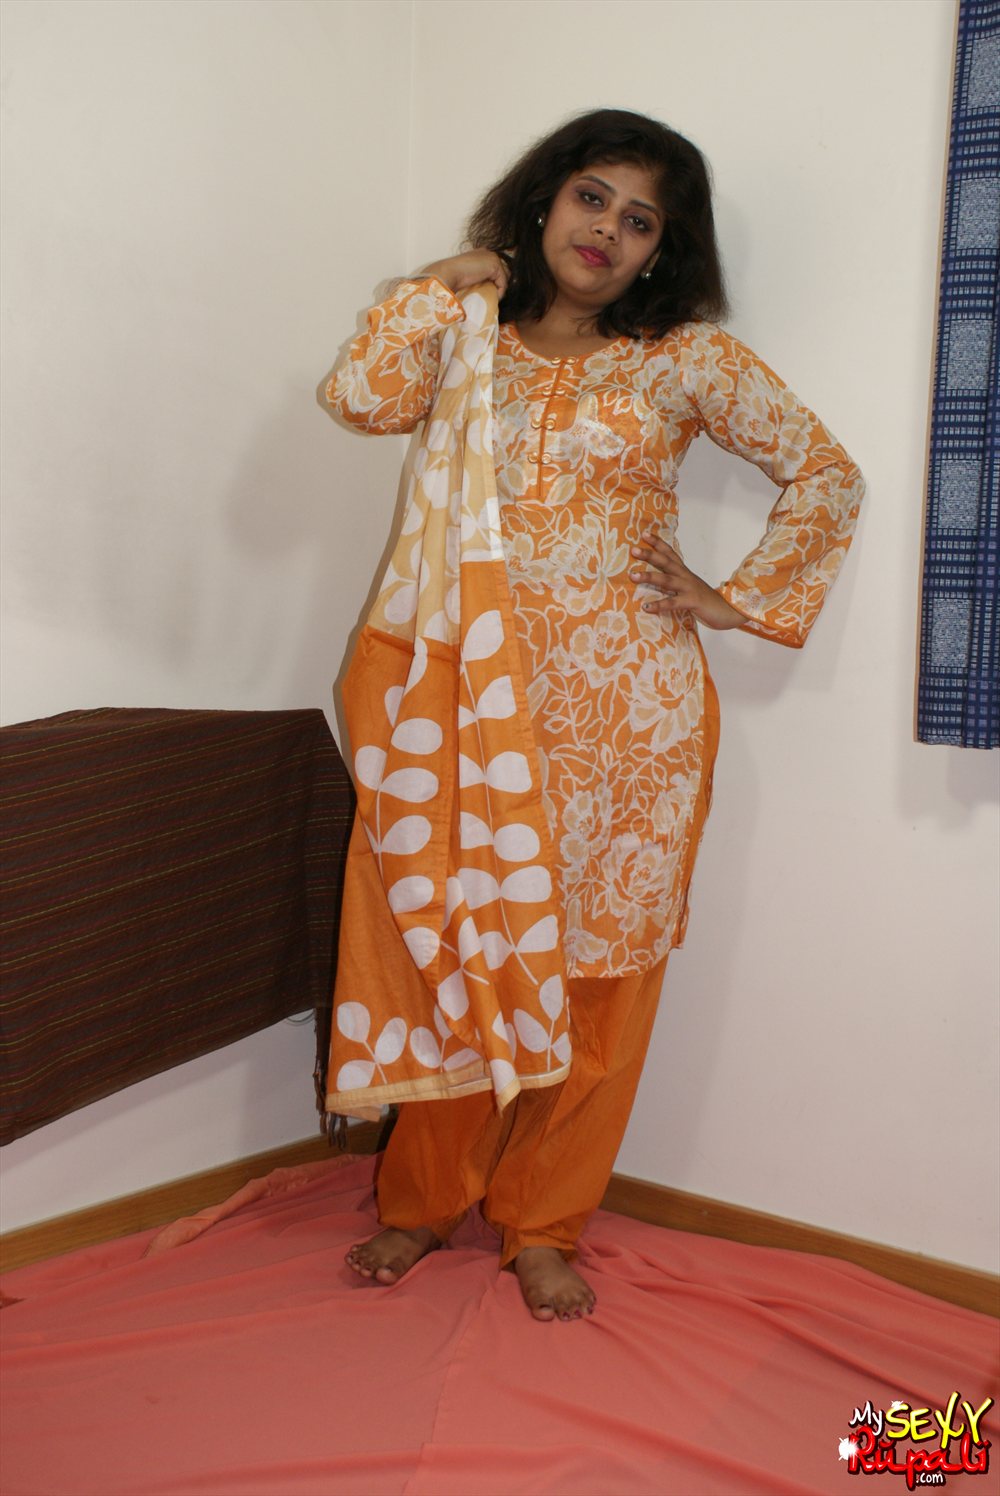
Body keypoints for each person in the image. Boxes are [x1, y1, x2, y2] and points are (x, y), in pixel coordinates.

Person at [323, 109, 864, 1323]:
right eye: (592, 198)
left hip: (632, 721)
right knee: (467, 953)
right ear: (544, 198)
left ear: (663, 250)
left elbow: (826, 472)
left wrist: (737, 597)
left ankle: (544, 1221)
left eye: (640, 220)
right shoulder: (469, 336)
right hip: (471, 712)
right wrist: (443, 282)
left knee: (602, 980)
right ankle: (423, 1198)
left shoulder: (684, 357)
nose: (607, 231)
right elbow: (360, 398)